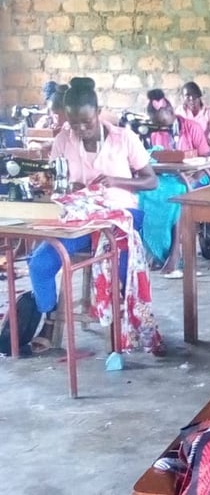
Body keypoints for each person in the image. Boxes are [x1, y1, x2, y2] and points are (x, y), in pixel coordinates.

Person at [28, 77, 159, 352]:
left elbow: (151, 181)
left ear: (98, 112)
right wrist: (62, 186)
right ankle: (51, 317)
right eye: (74, 123)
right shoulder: (64, 139)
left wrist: (117, 181)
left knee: (119, 269)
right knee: (40, 264)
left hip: (120, 217)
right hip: (81, 220)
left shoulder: (124, 139)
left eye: (86, 122)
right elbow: (57, 180)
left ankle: (124, 328)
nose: (80, 129)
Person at [144, 89, 210, 277]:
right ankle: (156, 253)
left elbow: (207, 159)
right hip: (169, 177)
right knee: (144, 194)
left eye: (164, 124)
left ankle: (174, 253)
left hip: (196, 176)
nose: (161, 129)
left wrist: (193, 175)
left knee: (179, 194)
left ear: (173, 113)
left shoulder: (192, 127)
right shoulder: (156, 133)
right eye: (157, 125)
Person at [176, 81, 210, 146]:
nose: (192, 99)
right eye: (188, 96)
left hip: (205, 149)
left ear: (199, 97)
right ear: (183, 98)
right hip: (186, 150)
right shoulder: (180, 111)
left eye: (195, 96)